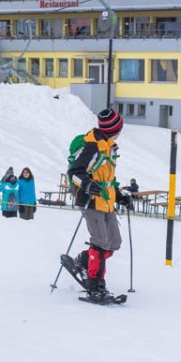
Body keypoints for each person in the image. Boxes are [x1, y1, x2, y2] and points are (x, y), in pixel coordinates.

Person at [61, 107, 126, 300]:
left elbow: (106, 177)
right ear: (114, 129)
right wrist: (88, 185)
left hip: (107, 200)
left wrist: (119, 195)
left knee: (114, 242)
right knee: (100, 243)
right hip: (91, 201)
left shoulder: (109, 146)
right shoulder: (93, 146)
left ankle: (83, 260)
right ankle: (95, 283)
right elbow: (75, 173)